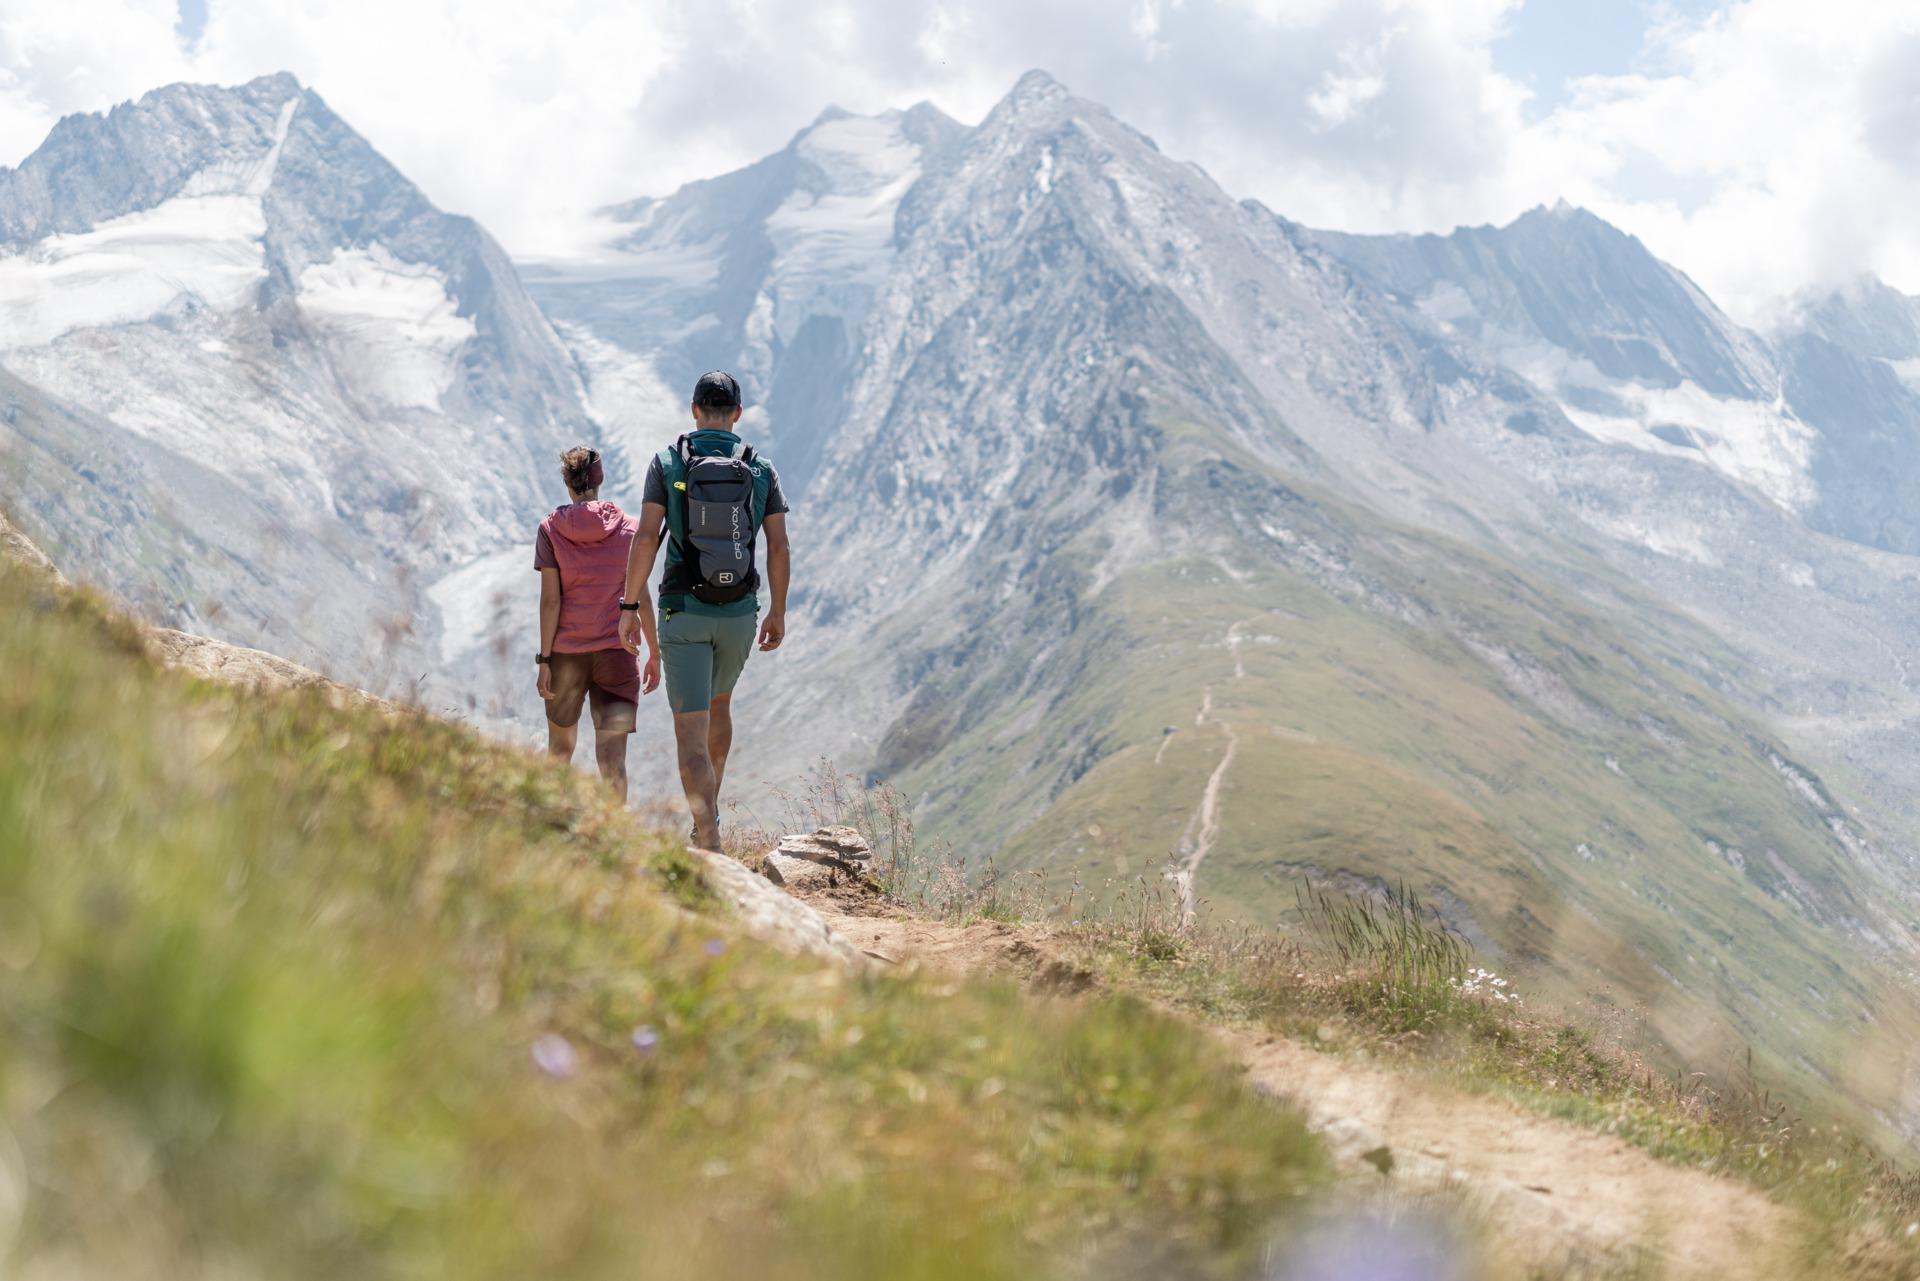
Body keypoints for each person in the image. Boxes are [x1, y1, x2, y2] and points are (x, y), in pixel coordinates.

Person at [618, 371, 789, 851]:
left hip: (682, 610)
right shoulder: (760, 469)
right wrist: (777, 610)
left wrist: (630, 605)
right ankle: (708, 817)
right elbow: (777, 545)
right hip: (739, 613)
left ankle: (708, 834)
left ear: (693, 409)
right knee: (720, 707)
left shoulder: (668, 462)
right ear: (737, 413)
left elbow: (647, 536)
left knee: (690, 730)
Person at [535, 446, 659, 801]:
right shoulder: (629, 531)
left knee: (559, 751)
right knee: (612, 759)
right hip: (617, 658)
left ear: (567, 483)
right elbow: (643, 597)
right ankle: (614, 842)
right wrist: (654, 651)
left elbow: (550, 601)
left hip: (565, 657)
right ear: (600, 480)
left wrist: (545, 661)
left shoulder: (550, 530)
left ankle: (551, 829)